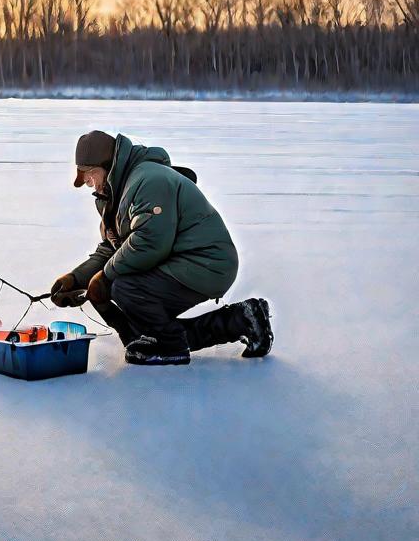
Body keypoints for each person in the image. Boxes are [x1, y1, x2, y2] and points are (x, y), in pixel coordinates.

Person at [50, 130, 272, 366]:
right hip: (178, 262)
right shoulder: (114, 195)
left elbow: (149, 242)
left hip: (206, 262)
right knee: (134, 313)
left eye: (90, 177)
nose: (89, 185)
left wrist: (104, 277)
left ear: (105, 166)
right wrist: (76, 279)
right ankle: (242, 320)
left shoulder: (148, 181)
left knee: (124, 289)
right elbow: (111, 248)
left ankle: (169, 347)